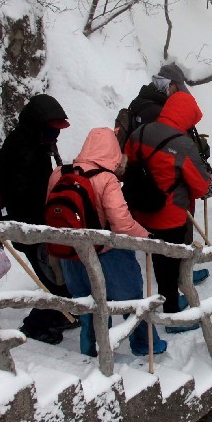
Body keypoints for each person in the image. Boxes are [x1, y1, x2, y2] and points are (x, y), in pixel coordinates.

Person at [48, 127, 166, 357]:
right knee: (131, 302)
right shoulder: (106, 179)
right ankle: (146, 344)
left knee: (89, 308)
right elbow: (121, 224)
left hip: (71, 254)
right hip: (106, 253)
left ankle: (92, 352)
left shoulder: (59, 173)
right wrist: (147, 237)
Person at [125, 90, 212, 333]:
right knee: (170, 262)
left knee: (157, 257)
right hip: (170, 214)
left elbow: (128, 163)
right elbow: (200, 185)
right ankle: (173, 314)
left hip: (141, 210)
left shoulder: (139, 132)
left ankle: (168, 299)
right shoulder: (182, 144)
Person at [0, 94, 73, 345]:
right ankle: (36, 324)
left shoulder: (37, 143)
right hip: (29, 227)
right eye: (51, 131)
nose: (54, 137)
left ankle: (57, 314)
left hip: (39, 223)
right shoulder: (22, 149)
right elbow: (23, 193)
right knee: (54, 280)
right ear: (38, 125)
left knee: (56, 276)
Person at [122, 63, 210, 285]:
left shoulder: (142, 108)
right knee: (169, 257)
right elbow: (199, 186)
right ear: (170, 86)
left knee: (161, 256)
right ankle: (177, 291)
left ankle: (175, 282)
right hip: (169, 207)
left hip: (141, 201)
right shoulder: (159, 116)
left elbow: (131, 157)